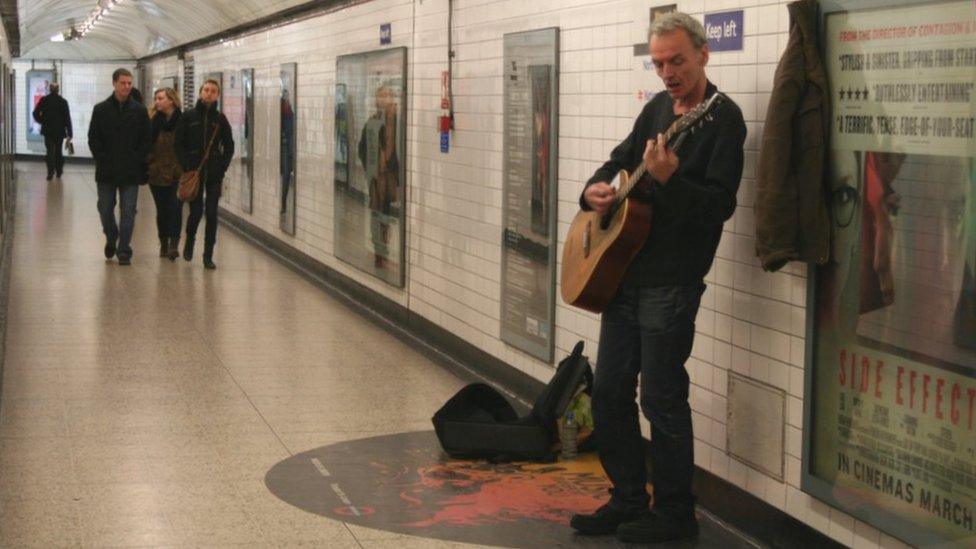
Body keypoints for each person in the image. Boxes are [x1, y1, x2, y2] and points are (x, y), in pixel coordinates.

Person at [568, 12, 745, 544]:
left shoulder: (722, 121)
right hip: (624, 274)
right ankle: (626, 499)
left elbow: (719, 207)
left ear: (703, 55)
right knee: (609, 394)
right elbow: (620, 162)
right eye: (660, 62)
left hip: (672, 281)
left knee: (661, 398)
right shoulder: (656, 109)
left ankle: (674, 513)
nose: (668, 72)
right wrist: (593, 191)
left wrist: (668, 181)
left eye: (677, 61)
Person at [88, 68, 151, 266]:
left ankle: (124, 249)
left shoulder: (139, 111)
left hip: (130, 170)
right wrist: (101, 157)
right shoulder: (101, 110)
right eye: (123, 83)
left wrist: (136, 157)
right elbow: (93, 138)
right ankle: (111, 235)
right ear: (114, 83)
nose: (126, 87)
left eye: (129, 83)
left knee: (128, 211)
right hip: (107, 170)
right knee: (105, 209)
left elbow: (146, 140)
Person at [174, 78, 234, 270]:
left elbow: (230, 145)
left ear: (217, 95)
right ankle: (190, 239)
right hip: (194, 172)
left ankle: (208, 255)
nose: (209, 93)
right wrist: (186, 165)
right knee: (196, 212)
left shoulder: (220, 119)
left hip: (214, 173)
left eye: (213, 91)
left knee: (212, 212)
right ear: (200, 92)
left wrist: (222, 166)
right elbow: (178, 143)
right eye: (206, 90)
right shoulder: (188, 117)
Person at [357, 84, 399, 269]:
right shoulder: (372, 122)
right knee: (377, 213)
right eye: (381, 96)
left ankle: (384, 249)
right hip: (376, 179)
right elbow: (361, 149)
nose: (385, 99)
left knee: (387, 214)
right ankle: (379, 252)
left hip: (391, 177)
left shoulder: (398, 122)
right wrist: (371, 170)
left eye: (388, 95)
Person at [146, 87, 184, 260]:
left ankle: (174, 244)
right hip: (157, 173)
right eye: (156, 98)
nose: (157, 102)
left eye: (160, 98)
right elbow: (146, 145)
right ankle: (163, 241)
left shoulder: (183, 121)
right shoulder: (153, 121)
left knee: (175, 208)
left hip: (177, 173)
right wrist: (150, 163)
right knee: (162, 210)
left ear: (171, 100)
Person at [32, 82, 72, 180]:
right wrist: (70, 134)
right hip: (59, 131)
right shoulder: (63, 102)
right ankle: (59, 171)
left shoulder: (44, 100)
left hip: (47, 131)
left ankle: (50, 173)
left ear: (50, 89)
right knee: (58, 151)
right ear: (58, 90)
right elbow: (67, 119)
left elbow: (35, 113)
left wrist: (41, 121)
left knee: (50, 151)